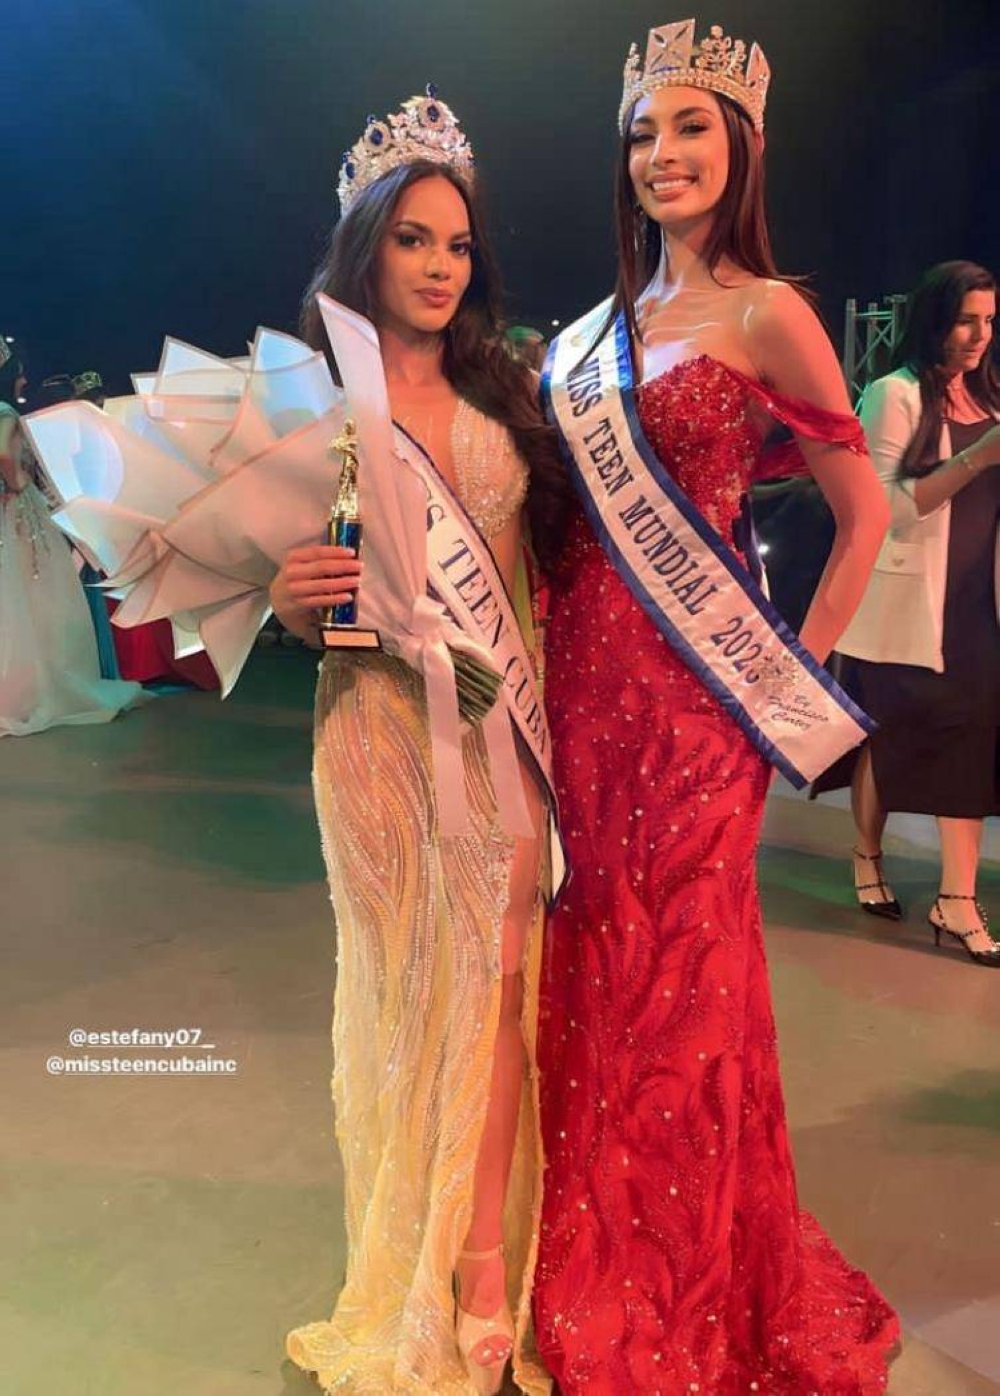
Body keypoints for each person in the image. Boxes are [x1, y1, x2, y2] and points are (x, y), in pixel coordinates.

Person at [533, 20, 899, 1393]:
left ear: (740, 146)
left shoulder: (768, 312)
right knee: (595, 977)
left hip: (697, 720)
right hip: (579, 704)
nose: (663, 155)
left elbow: (864, 517)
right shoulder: (597, 335)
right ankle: (593, 1254)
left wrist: (777, 693)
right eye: (642, 132)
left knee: (685, 997)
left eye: (691, 127)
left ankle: (685, 1292)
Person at [272, 93, 567, 1394]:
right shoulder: (309, 401)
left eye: (457, 243)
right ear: (365, 250)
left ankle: (485, 1278)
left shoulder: (507, 396)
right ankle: (406, 1264)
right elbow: (281, 587)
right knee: (404, 1012)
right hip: (374, 749)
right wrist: (286, 607)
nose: (441, 265)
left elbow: (537, 583)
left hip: (498, 739)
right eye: (412, 240)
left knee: (496, 1000)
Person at [818, 261, 1000, 964]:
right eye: (967, 320)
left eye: (989, 320)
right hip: (907, 600)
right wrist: (979, 459)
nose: (981, 334)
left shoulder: (990, 394)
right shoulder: (892, 396)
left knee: (972, 742)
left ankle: (956, 898)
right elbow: (887, 507)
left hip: (978, 606)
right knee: (884, 739)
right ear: (933, 319)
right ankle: (867, 855)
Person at [0, 338, 144, 736]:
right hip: (18, 508)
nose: (24, 379)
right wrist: (17, 482)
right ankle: (33, 686)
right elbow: (5, 455)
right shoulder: (6, 411)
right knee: (36, 594)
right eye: (19, 373)